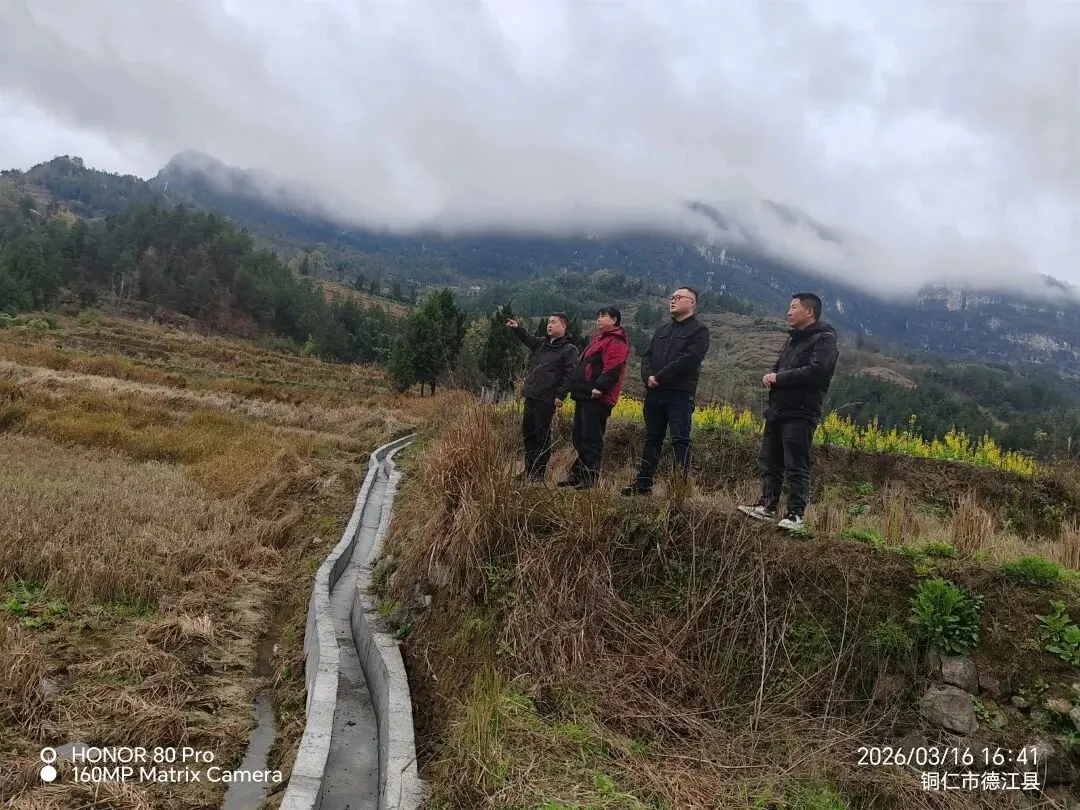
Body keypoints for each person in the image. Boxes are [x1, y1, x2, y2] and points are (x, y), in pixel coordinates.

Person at [739, 293, 839, 530]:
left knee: (796, 463)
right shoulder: (793, 339)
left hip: (801, 411)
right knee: (769, 460)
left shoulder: (825, 339)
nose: (788, 312)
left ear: (809, 311)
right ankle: (767, 506)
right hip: (778, 409)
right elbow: (779, 367)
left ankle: (796, 515)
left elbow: (816, 371)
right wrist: (770, 376)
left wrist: (779, 378)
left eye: (793, 307)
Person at [622, 287, 711, 496]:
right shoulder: (662, 330)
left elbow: (689, 360)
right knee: (652, 438)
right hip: (654, 393)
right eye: (672, 297)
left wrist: (659, 377)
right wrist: (648, 377)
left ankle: (680, 488)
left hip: (679, 393)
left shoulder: (699, 331)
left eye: (678, 297)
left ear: (692, 303)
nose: (672, 300)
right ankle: (643, 484)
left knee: (680, 439)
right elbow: (647, 356)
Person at [558, 307, 630, 490]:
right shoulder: (598, 340)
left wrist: (600, 387)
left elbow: (613, 368)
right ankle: (578, 476)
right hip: (584, 395)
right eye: (598, 317)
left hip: (597, 397)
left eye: (603, 316)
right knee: (580, 437)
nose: (599, 320)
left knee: (591, 438)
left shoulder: (616, 341)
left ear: (614, 320)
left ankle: (590, 478)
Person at [505, 312, 579, 482]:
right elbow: (528, 339)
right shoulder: (542, 343)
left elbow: (570, 374)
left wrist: (560, 395)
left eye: (553, 322)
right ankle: (528, 470)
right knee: (528, 434)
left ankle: (538, 474)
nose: (549, 325)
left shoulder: (569, 350)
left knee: (541, 436)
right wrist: (517, 328)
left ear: (563, 326)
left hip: (547, 398)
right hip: (532, 394)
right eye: (548, 322)